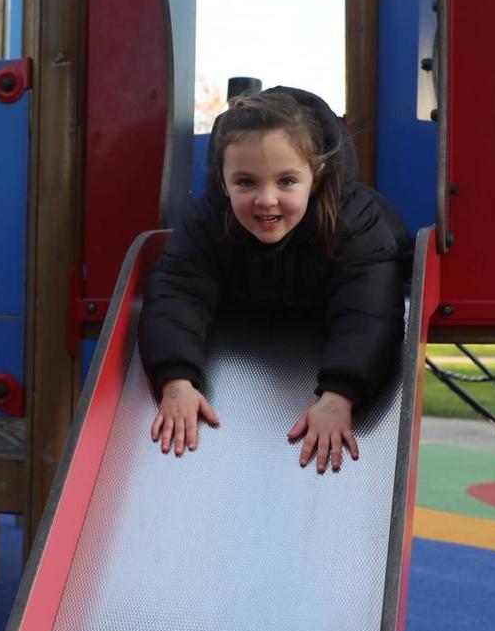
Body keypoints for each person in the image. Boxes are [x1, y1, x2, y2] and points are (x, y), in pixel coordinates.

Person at [139, 87, 413, 472]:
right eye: (246, 182)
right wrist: (176, 380)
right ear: (222, 181)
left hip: (332, 296)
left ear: (315, 176)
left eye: (286, 181)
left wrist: (339, 398)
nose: (266, 199)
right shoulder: (208, 222)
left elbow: (368, 311)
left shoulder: (354, 224)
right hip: (259, 299)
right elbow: (177, 290)